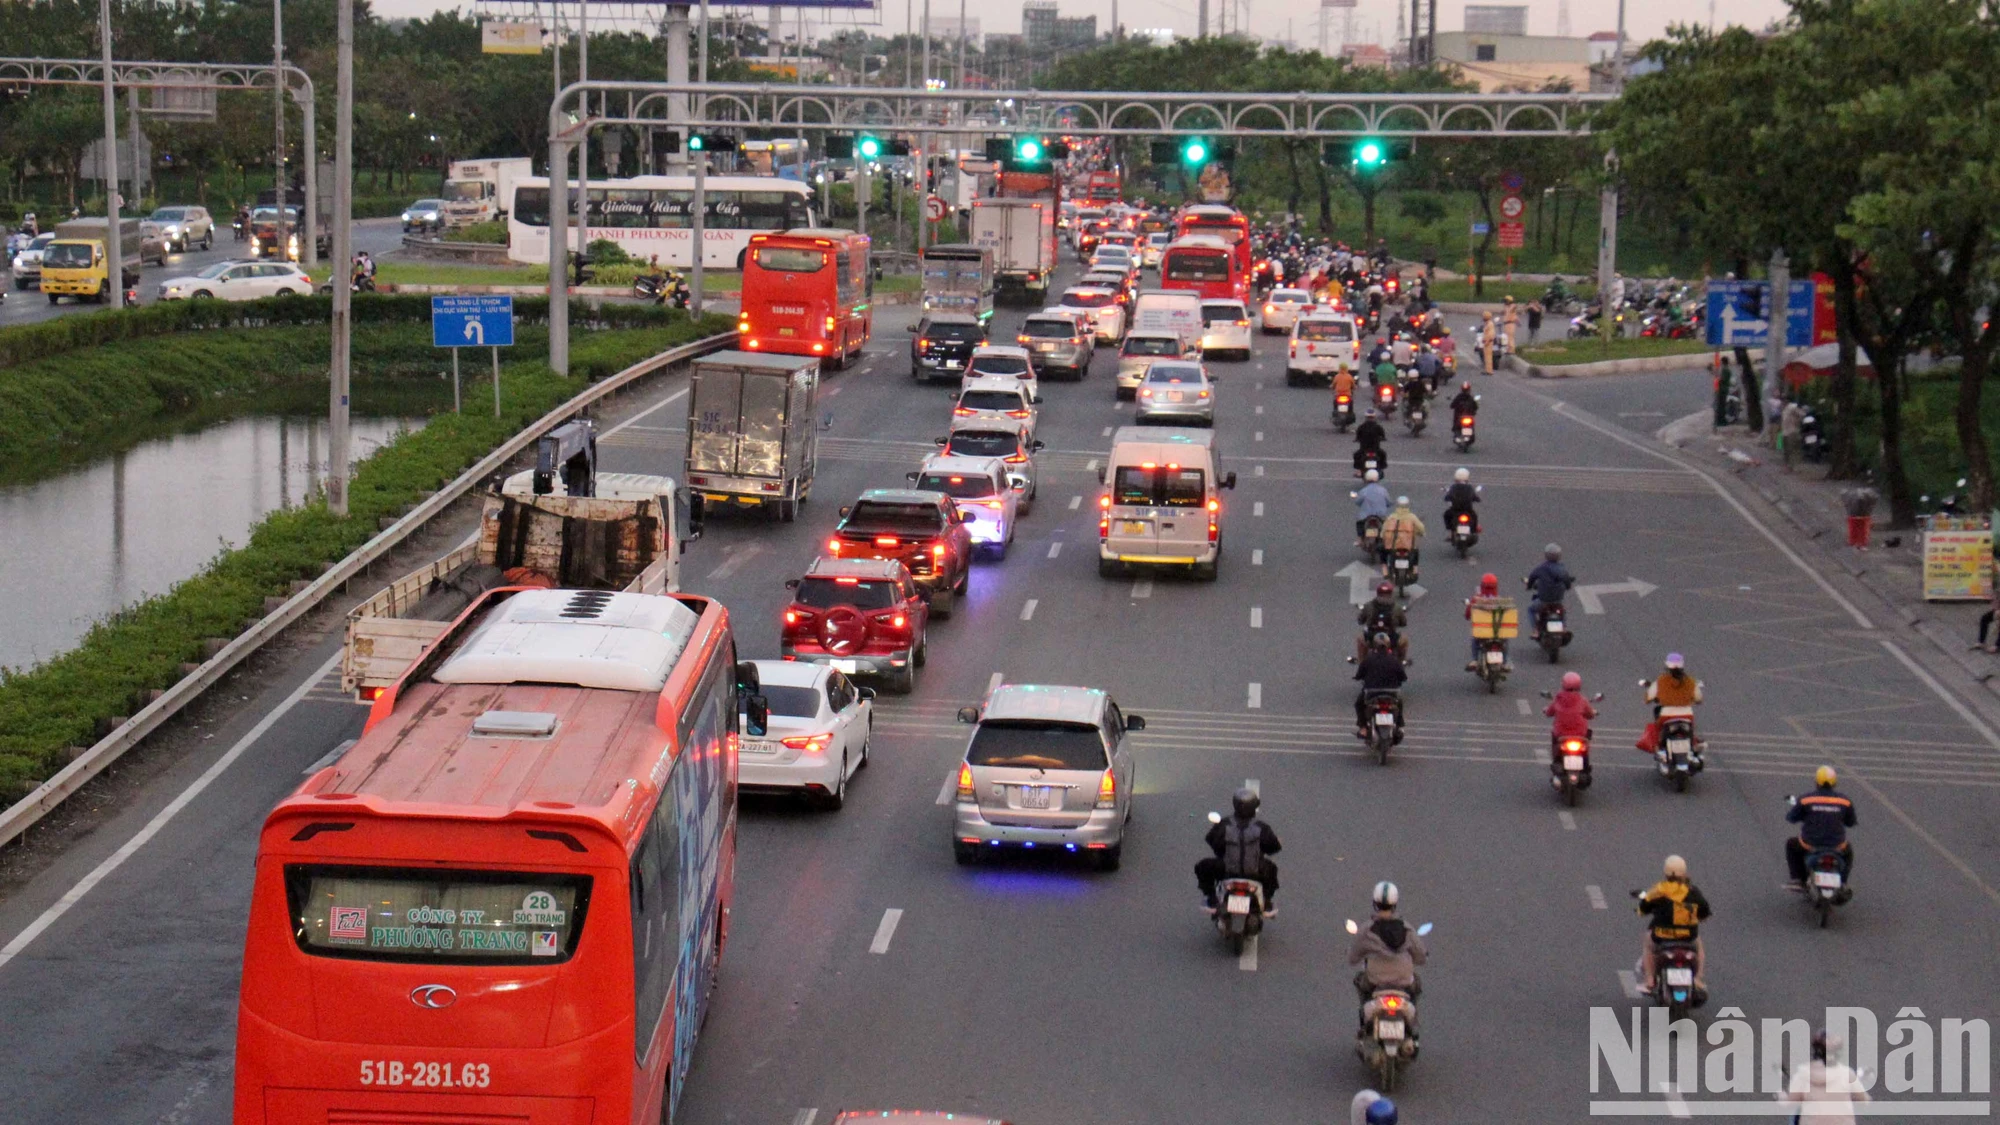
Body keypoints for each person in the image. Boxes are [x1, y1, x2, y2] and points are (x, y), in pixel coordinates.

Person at [1348, 881, 1427, 1031]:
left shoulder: (1367, 930)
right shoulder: (1407, 928)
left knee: (1360, 982)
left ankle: (1366, 1023)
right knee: (1416, 984)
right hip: (1403, 981)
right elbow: (1420, 957)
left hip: (1376, 980)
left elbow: (1353, 958)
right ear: (1395, 903)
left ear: (1375, 903)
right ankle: (1411, 1024)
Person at [1195, 786, 1282, 912]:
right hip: (1256, 871)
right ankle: (1267, 902)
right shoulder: (1262, 828)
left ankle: (1212, 899)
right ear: (1254, 807)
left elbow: (1213, 844)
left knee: (1202, 867)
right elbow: (1273, 849)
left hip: (1226, 869)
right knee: (1272, 870)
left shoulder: (1224, 824)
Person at [1636, 854, 1711, 992]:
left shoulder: (1659, 890)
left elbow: (1643, 907)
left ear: (1666, 873)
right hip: (1688, 937)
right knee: (1699, 947)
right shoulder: (1693, 892)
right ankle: (1698, 979)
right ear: (1684, 872)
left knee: (1648, 946)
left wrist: (1641, 911)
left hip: (1662, 936)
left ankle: (1650, 980)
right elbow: (1705, 911)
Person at [1777, 1030, 1871, 1124]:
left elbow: (1789, 1103)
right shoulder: (1847, 1074)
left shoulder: (1802, 1074)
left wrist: (1781, 1096)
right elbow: (1865, 1101)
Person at [1786, 766, 1857, 885]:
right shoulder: (1844, 801)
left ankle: (1798, 878)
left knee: (1791, 845)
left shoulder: (1806, 799)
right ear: (1835, 783)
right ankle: (1843, 882)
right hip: (1837, 845)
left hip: (1810, 843)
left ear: (1817, 782)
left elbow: (1791, 818)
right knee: (1848, 852)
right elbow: (1850, 822)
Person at [1638, 653, 1704, 752]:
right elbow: (1699, 699)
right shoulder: (1690, 681)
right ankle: (1694, 744)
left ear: (1667, 665)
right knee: (1691, 731)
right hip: (1687, 714)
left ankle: (1658, 748)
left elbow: (1648, 698)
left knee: (1657, 730)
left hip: (1666, 715)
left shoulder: (1661, 680)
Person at [1545, 671, 1598, 782]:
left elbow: (1549, 712)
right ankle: (1585, 765)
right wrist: (1593, 713)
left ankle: (1557, 760)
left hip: (1561, 735)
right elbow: (1590, 715)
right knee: (1587, 742)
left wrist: (1546, 710)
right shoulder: (1582, 700)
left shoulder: (1558, 699)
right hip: (1580, 735)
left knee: (1555, 739)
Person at [1354, 631, 1409, 736]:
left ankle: (1363, 728)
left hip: (1372, 692)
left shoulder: (1368, 659)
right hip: (1392, 693)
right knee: (1399, 703)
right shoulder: (1395, 660)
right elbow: (1403, 677)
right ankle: (1399, 726)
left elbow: (1359, 675)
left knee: (1359, 704)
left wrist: (1358, 677)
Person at [1463, 572, 1513, 669]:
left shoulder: (1476, 600)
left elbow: (1468, 615)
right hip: (1497, 631)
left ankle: (1475, 660)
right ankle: (1505, 662)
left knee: (1475, 640)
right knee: (1505, 641)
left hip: (1482, 632)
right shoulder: (1500, 601)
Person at [1525, 543, 1574, 634]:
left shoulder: (1541, 568)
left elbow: (1532, 577)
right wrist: (1568, 586)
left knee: (1531, 610)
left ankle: (1535, 630)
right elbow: (1567, 581)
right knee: (1562, 611)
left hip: (1544, 600)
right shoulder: (1562, 568)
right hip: (1558, 600)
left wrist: (1528, 586)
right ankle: (1563, 628)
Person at [1356, 585, 1408, 663]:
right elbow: (1404, 623)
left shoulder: (1368, 605)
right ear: (1391, 594)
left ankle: (1361, 663)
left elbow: (1360, 620)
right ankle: (1401, 662)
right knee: (1404, 640)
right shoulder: (1397, 607)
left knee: (1360, 639)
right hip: (1391, 638)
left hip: (1371, 637)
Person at [1380, 495, 1426, 571]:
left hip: (1393, 545)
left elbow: (1384, 528)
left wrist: (1382, 536)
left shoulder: (1392, 517)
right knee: (1415, 551)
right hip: (1408, 545)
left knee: (1383, 550)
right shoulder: (1412, 517)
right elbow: (1421, 527)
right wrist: (1422, 533)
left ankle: (1384, 568)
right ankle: (1415, 568)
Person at [1355, 469, 1392, 548]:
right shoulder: (1383, 490)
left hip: (1366, 515)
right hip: (1380, 514)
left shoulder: (1364, 490)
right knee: (1386, 526)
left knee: (1359, 523)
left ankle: (1360, 540)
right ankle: (1386, 539)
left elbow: (1358, 502)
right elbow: (1388, 502)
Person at [1443, 467, 1479, 533]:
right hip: (1468, 510)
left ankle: (1450, 528)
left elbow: (1448, 496)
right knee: (1475, 517)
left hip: (1455, 510)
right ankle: (1473, 530)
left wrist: (1447, 498)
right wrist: (1477, 499)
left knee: (1446, 514)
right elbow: (1475, 497)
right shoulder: (1469, 487)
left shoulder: (1453, 487)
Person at [1780, 398, 1805, 470]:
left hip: (1792, 431)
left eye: (1784, 400)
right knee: (1786, 451)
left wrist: (1798, 421)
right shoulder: (1784, 409)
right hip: (1785, 432)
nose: (1782, 401)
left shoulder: (1792, 407)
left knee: (1791, 450)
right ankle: (1787, 466)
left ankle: (1792, 466)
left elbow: (1802, 414)